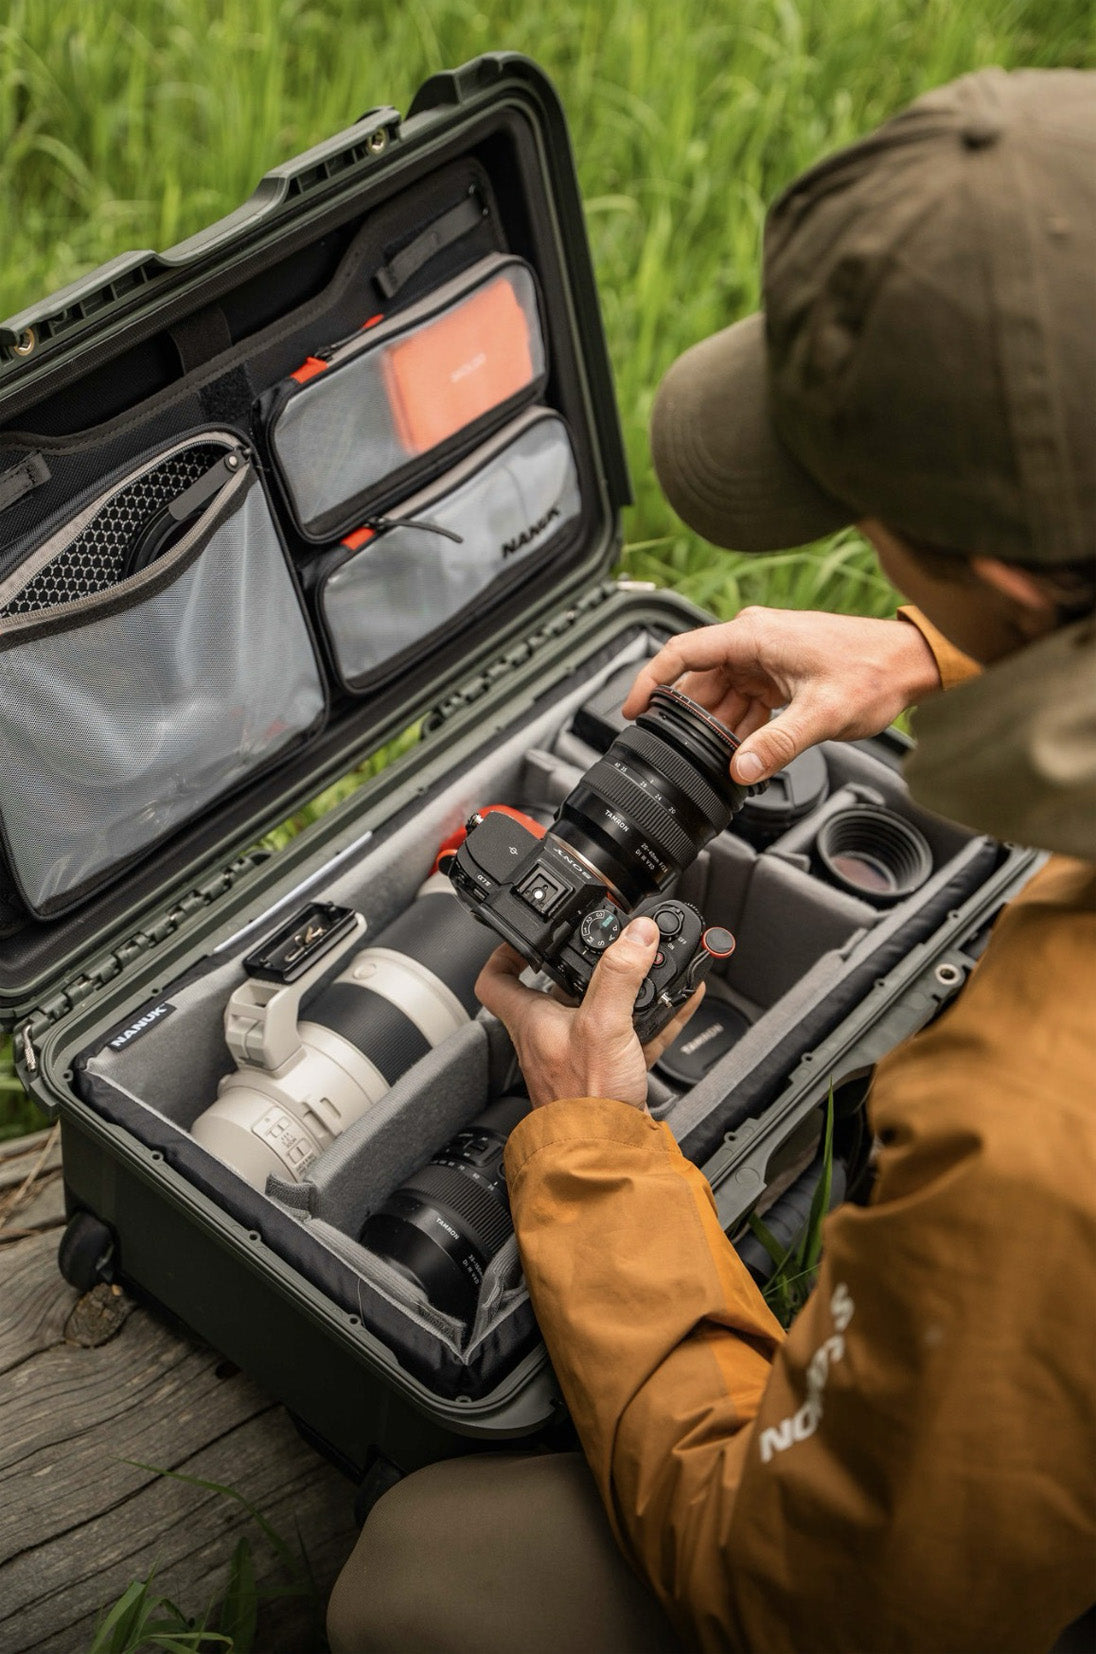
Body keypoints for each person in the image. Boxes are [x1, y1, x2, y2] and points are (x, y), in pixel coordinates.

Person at [327, 66, 1095, 1654]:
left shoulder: (1029, 1132)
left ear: (1016, 565)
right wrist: (944, 650)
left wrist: (595, 1147)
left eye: (874, 513)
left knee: (425, 1577)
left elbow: (811, 1600)